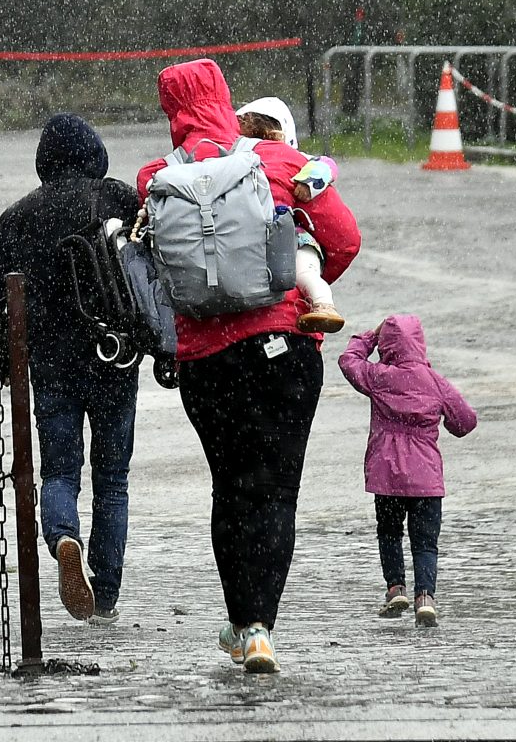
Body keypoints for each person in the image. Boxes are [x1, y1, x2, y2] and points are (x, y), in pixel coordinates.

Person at [137, 59, 360, 673]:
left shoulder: (154, 177)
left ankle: (242, 623)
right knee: (277, 490)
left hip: (206, 364)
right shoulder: (279, 161)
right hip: (284, 353)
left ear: (171, 111)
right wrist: (293, 288)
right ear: (224, 97)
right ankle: (264, 629)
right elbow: (344, 238)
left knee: (230, 488)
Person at [0, 113, 141, 626]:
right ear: (95, 153)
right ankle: (106, 596)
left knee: (60, 469)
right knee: (112, 479)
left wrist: (10, 361)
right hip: (116, 355)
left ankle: (64, 535)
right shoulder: (118, 200)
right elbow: (153, 271)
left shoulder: (19, 216)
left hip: (51, 363)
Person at [337, 314, 478, 627]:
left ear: (388, 345)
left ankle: (395, 587)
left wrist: (368, 337)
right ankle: (425, 597)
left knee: (389, 532)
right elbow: (465, 422)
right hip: (426, 478)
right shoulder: (436, 382)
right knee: (425, 543)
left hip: (386, 475)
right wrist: (445, 422)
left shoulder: (379, 377)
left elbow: (348, 360)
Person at [235, 97, 345, 334]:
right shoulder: (291, 158)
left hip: (288, 239)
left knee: (303, 272)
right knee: (305, 274)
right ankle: (321, 302)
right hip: (285, 237)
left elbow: (325, 164)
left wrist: (309, 183)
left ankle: (324, 305)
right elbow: (347, 241)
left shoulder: (230, 160)